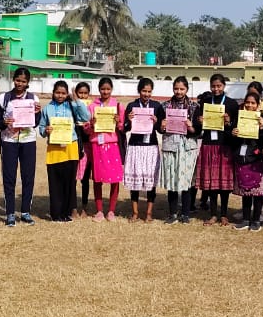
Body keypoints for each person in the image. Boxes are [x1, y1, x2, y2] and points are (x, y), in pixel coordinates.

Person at [0, 67, 41, 226]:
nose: (20, 83)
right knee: (9, 177)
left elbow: (36, 123)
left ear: (28, 82)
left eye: (23, 81)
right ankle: (10, 214)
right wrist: (3, 123)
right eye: (17, 80)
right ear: (13, 79)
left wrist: (37, 113)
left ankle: (26, 212)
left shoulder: (33, 99)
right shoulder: (4, 98)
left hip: (28, 141)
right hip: (9, 141)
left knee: (28, 176)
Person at [40, 80, 90, 221]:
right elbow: (41, 128)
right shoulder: (47, 108)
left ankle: (67, 213)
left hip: (70, 148)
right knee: (55, 182)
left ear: (67, 93)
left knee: (69, 182)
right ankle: (56, 214)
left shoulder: (72, 106)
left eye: (63, 93)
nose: (60, 96)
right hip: (54, 149)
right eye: (57, 92)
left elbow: (85, 117)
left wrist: (76, 99)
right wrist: (46, 130)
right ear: (53, 93)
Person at [194, 74, 240, 223]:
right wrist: (200, 121)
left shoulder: (232, 104)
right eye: (213, 86)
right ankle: (213, 214)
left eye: (219, 86)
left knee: (224, 183)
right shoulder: (205, 102)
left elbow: (237, 127)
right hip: (208, 145)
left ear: (224, 86)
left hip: (225, 145)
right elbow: (198, 126)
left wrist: (229, 122)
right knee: (211, 182)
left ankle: (224, 214)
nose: (216, 89)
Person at [159, 76, 201, 224]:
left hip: (188, 147)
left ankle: (185, 214)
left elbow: (198, 131)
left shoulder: (195, 107)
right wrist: (162, 126)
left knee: (186, 181)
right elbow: (159, 129)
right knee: (172, 180)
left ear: (187, 89)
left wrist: (191, 126)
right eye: (176, 88)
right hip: (171, 145)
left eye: (182, 89)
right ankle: (172, 214)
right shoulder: (164, 106)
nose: (179, 91)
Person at [123, 78, 163, 222]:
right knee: (135, 181)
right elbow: (125, 128)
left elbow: (161, 130)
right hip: (135, 146)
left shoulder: (157, 106)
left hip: (151, 147)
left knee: (150, 182)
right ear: (139, 91)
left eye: (149, 91)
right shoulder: (132, 105)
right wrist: (128, 120)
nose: (146, 94)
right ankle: (135, 213)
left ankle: (149, 213)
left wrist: (157, 122)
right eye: (144, 91)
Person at [85, 77, 124, 220]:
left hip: (112, 145)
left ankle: (111, 211)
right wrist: (91, 124)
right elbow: (86, 129)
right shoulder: (92, 106)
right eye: (103, 89)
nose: (105, 92)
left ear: (111, 89)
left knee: (115, 179)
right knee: (97, 178)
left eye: (108, 89)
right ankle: (99, 211)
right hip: (97, 145)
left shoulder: (117, 106)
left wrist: (118, 122)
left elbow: (122, 127)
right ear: (99, 89)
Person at [231, 92, 263, 231]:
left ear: (258, 105)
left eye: (253, 103)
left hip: (256, 159)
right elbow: (233, 140)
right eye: (247, 102)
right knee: (245, 191)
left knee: (257, 191)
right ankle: (245, 219)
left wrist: (262, 127)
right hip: (242, 158)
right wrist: (233, 133)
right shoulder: (239, 117)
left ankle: (256, 220)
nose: (250, 105)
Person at [73, 82, 94, 216]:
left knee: (85, 179)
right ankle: (73, 207)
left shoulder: (92, 107)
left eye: (85, 93)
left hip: (87, 146)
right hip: (74, 144)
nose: (82, 96)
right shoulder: (72, 106)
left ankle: (84, 207)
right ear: (76, 93)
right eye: (80, 93)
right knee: (73, 178)